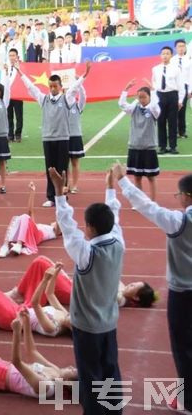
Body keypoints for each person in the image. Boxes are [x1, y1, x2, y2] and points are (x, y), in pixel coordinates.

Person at [114, 166, 192, 412]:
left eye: (178, 195)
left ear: (187, 196)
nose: (177, 199)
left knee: (184, 347)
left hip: (183, 295)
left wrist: (122, 182)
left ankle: (188, 401)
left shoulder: (179, 221)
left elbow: (148, 207)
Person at [49, 166, 125, 414]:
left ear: (90, 227)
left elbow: (67, 226)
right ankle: (114, 411)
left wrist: (59, 193)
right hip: (109, 323)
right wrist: (110, 187)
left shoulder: (87, 254)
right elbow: (113, 213)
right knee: (110, 370)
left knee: (90, 377)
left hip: (87, 328)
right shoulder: (118, 242)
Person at [17, 61, 90, 207]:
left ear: (61, 86)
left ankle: (62, 197)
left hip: (63, 138)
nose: (52, 89)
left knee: (62, 168)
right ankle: (51, 197)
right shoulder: (43, 99)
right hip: (48, 138)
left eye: (55, 86)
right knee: (50, 168)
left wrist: (84, 75)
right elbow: (31, 88)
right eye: (50, 86)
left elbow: (75, 89)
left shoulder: (67, 98)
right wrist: (20, 73)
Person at [4, 255, 157, 309]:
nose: (130, 284)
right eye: (134, 283)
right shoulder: (122, 290)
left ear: (136, 297)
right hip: (73, 286)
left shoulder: (119, 298)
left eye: (133, 286)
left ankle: (21, 295)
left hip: (73, 293)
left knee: (41, 263)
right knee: (42, 263)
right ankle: (19, 292)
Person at [119, 79, 161, 201]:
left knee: (151, 177)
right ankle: (141, 201)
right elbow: (122, 104)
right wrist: (126, 89)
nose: (142, 100)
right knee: (137, 177)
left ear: (149, 97)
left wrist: (152, 90)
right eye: (139, 97)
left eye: (144, 97)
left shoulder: (154, 110)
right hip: (135, 147)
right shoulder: (133, 109)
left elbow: (154, 104)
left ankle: (152, 202)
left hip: (148, 148)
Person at [0, 182, 61, 257]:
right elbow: (30, 212)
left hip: (37, 236)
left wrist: (61, 196)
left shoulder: (55, 232)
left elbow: (60, 218)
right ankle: (5, 246)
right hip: (32, 234)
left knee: (25, 216)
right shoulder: (42, 226)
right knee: (17, 218)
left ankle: (18, 244)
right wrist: (32, 192)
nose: (55, 222)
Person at [152, 46, 185, 154]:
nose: (165, 55)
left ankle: (173, 146)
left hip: (172, 96)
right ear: (160, 56)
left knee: (172, 122)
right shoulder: (155, 69)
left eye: (167, 53)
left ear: (171, 55)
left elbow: (180, 85)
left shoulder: (176, 69)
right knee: (160, 122)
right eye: (163, 53)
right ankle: (162, 146)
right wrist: (154, 99)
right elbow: (154, 84)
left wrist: (180, 100)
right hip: (160, 96)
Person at [66, 83, 86, 194]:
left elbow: (83, 96)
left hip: (75, 137)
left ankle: (75, 185)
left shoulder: (78, 106)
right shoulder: (62, 104)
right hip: (63, 137)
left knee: (75, 162)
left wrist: (80, 83)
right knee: (64, 163)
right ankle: (66, 184)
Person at [174, 39, 190, 139]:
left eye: (183, 46)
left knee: (182, 109)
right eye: (179, 46)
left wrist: (190, 90)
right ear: (175, 48)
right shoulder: (172, 59)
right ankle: (173, 131)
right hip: (174, 87)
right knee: (173, 110)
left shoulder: (189, 59)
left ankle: (182, 131)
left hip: (185, 86)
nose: (181, 48)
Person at [7, 49, 24, 142]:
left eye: (13, 55)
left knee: (19, 116)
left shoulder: (21, 67)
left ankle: (18, 134)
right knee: (9, 116)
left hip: (18, 95)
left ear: (17, 57)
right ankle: (10, 135)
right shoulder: (6, 67)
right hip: (8, 95)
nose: (12, 57)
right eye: (10, 55)